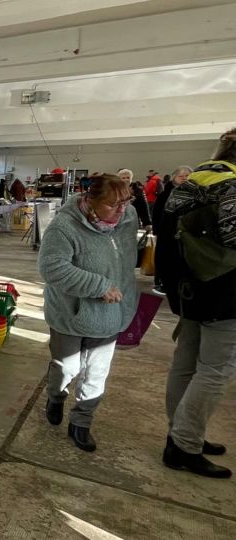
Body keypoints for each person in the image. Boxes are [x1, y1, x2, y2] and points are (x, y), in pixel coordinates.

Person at [156, 128, 236, 478]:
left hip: (188, 289)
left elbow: (163, 229)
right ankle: (184, 445)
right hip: (224, 292)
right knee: (216, 370)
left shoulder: (192, 180)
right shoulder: (233, 187)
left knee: (186, 361)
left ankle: (182, 430)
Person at [39, 174, 138, 452]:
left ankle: (81, 422)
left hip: (110, 314)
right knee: (66, 367)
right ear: (90, 201)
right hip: (70, 314)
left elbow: (126, 259)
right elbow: (52, 268)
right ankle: (56, 396)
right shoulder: (64, 227)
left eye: (126, 202)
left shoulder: (127, 218)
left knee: (97, 373)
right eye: (113, 204)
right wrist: (99, 285)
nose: (122, 210)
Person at [150, 166, 192, 295]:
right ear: (174, 177)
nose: (184, 178)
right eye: (181, 176)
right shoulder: (166, 193)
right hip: (166, 232)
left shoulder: (193, 192)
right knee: (166, 257)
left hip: (185, 233)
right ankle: (162, 282)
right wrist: (156, 230)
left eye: (187, 176)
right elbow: (157, 213)